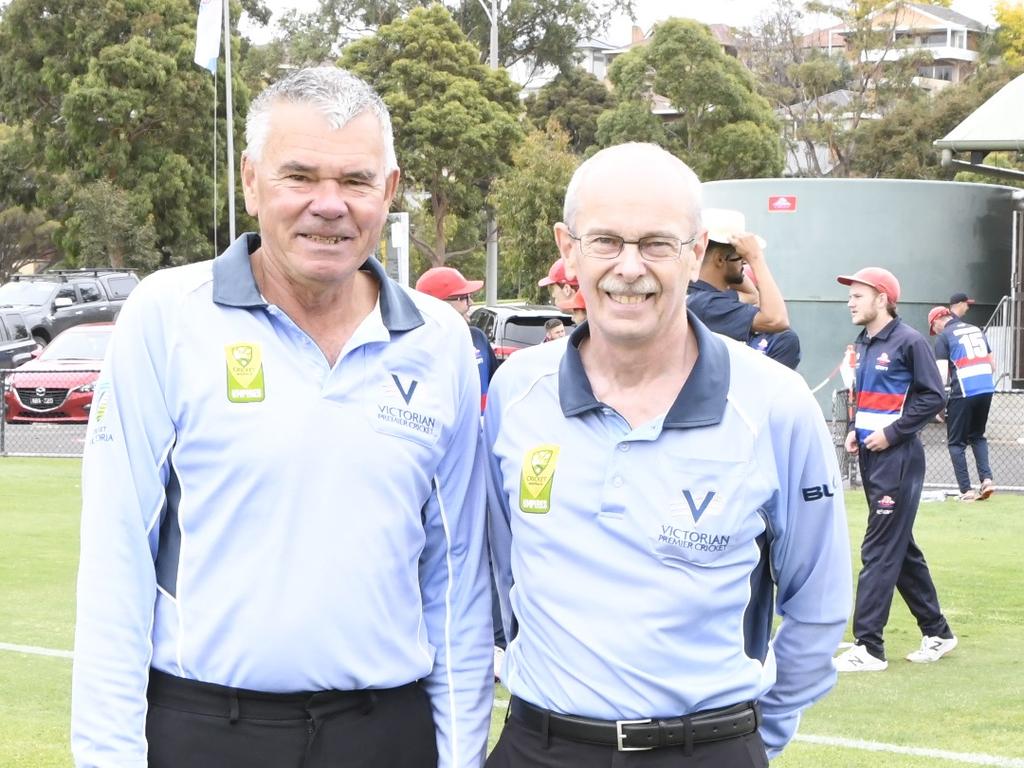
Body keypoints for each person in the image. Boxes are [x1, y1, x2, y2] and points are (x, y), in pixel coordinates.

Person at [71, 67, 492, 768]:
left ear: (387, 191)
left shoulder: (439, 341)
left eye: (356, 181)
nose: (329, 206)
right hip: (206, 728)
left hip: (385, 731)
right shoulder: (168, 315)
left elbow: (455, 578)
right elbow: (118, 556)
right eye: (299, 176)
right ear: (251, 180)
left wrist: (459, 757)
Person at [484, 142, 851, 767]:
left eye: (657, 243)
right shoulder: (519, 390)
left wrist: (749, 738)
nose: (630, 267)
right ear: (567, 247)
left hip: (703, 748)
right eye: (605, 241)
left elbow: (817, 605)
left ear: (693, 252)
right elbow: (492, 574)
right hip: (538, 747)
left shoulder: (775, 403)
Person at [833, 268, 957, 673]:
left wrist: (891, 433)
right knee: (898, 548)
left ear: (882, 298)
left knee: (880, 548)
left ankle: (869, 647)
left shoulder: (909, 341)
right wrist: (857, 430)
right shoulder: (865, 341)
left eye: (858, 294)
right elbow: (871, 398)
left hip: (897, 458)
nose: (850, 301)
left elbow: (932, 397)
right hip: (873, 454)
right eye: (850, 295)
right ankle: (937, 631)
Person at [686, 208, 801, 369]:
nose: (744, 263)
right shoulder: (705, 304)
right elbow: (776, 319)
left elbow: (752, 296)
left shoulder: (700, 295)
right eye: (741, 257)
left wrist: (736, 259)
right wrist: (755, 258)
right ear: (720, 259)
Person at [928, 305, 996, 502]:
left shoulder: (944, 337)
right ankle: (987, 479)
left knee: (956, 442)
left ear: (939, 319)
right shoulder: (976, 329)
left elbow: (941, 375)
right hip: (986, 386)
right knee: (977, 436)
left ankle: (966, 490)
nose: (936, 332)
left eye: (934, 327)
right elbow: (992, 365)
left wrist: (939, 404)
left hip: (965, 389)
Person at [416, 266, 498, 409]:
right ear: (440, 304)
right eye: (465, 298)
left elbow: (496, 387)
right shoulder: (415, 347)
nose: (471, 303)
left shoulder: (478, 338)